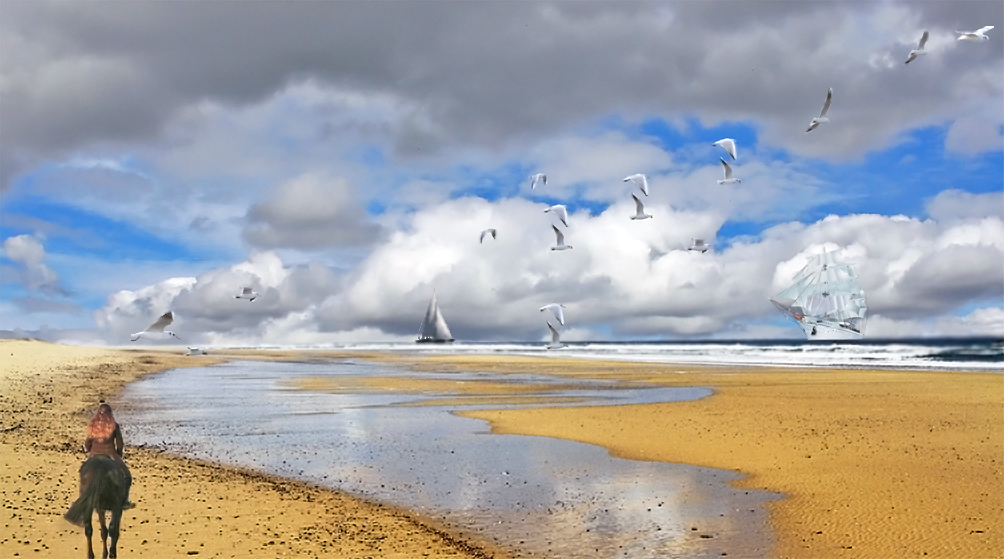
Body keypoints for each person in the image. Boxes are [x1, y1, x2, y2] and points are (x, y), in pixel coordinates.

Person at [83, 401, 134, 509]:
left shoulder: (93, 425)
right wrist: (119, 453)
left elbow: (87, 443)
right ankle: (124, 501)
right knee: (127, 476)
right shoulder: (114, 425)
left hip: (94, 455)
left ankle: (84, 500)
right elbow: (120, 443)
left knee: (85, 478)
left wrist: (89, 452)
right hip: (110, 455)